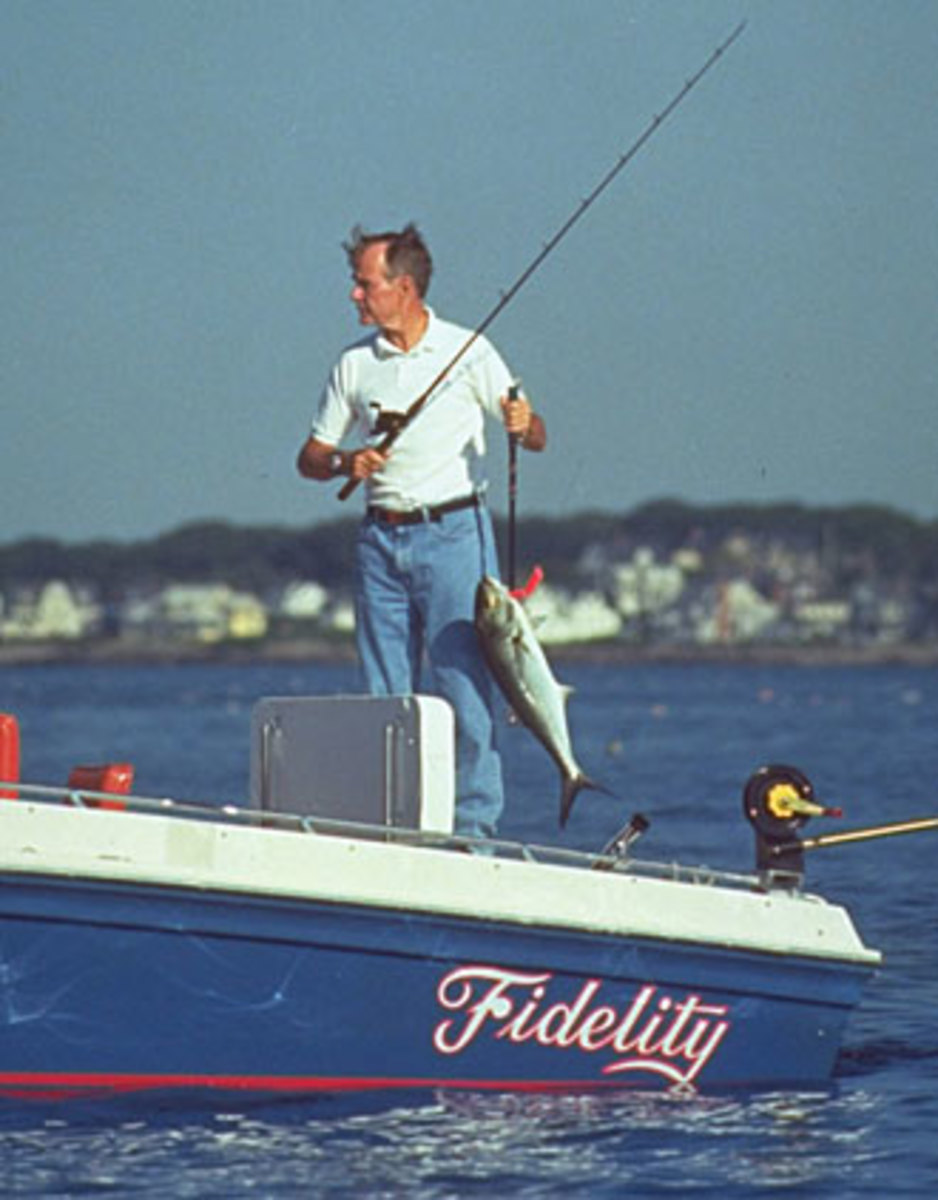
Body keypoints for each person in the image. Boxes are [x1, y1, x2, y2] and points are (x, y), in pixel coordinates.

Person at [297, 223, 546, 840]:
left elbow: (535, 434)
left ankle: (473, 833)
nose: (355, 295)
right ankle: (392, 829)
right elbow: (311, 456)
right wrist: (344, 462)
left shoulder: (470, 351)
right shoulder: (354, 364)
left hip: (456, 535)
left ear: (403, 287)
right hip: (379, 541)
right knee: (384, 698)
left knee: (465, 690)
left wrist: (523, 421)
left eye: (365, 284)